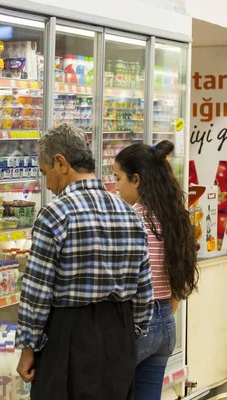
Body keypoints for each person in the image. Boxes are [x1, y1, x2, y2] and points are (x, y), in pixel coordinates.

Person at [15, 123, 154, 399]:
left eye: (46, 172)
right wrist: (129, 332)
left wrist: (28, 347)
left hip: (68, 336)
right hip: (120, 334)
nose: (47, 183)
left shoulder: (55, 214)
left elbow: (37, 291)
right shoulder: (130, 214)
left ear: (61, 163)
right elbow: (143, 290)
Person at [114, 141, 198, 400]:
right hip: (166, 325)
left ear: (136, 179)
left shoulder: (132, 219)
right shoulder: (173, 217)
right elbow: (176, 281)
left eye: (118, 178)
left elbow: (124, 281)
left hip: (137, 324)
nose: (116, 187)